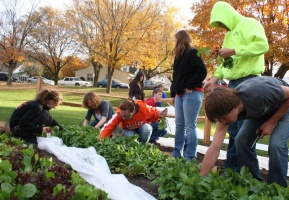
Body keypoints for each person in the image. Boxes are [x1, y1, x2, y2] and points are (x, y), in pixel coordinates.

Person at [203, 1, 269, 171]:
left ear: (227, 15)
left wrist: (234, 50)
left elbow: (262, 45)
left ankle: (249, 177)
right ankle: (232, 173)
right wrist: (215, 78)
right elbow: (227, 64)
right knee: (231, 129)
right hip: (233, 84)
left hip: (250, 83)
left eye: (221, 22)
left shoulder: (250, 23)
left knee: (244, 135)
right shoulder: (228, 35)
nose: (221, 26)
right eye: (218, 24)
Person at [200, 76, 289, 187]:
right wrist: (201, 179)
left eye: (223, 117)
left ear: (233, 107)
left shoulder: (258, 92)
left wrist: (271, 122)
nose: (223, 121)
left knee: (276, 144)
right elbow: (215, 147)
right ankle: (253, 183)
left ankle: (277, 188)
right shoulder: (225, 111)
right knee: (241, 140)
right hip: (264, 108)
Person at [171, 29, 207, 161]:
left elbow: (202, 71)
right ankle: (176, 153)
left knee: (190, 125)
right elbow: (175, 76)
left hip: (192, 93)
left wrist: (189, 85)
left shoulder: (192, 53)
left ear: (181, 39)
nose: (174, 42)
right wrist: (173, 93)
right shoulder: (178, 57)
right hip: (180, 95)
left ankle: (190, 156)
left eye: (175, 39)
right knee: (179, 124)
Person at [98, 98, 167, 143]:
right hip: (128, 130)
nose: (124, 118)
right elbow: (108, 126)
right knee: (129, 136)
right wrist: (100, 139)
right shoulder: (119, 114)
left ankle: (142, 146)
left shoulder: (143, 109)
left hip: (141, 128)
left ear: (133, 111)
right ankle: (132, 147)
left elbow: (154, 112)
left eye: (126, 116)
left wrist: (159, 114)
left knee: (147, 128)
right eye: (122, 116)